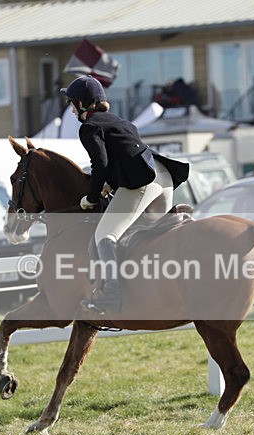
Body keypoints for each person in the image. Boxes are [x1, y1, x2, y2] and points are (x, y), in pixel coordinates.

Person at [60, 75, 190, 312]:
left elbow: (100, 165)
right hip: (164, 177)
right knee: (146, 232)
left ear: (81, 103)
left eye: (71, 103)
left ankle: (112, 293)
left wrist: (92, 197)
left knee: (104, 237)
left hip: (144, 183)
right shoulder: (121, 121)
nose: (71, 109)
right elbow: (123, 159)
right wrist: (111, 185)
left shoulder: (89, 127)